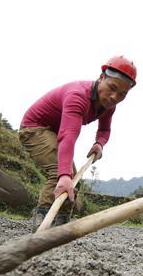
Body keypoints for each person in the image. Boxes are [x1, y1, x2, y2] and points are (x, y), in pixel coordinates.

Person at [20, 56, 136, 227]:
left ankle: (62, 224)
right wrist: (64, 175)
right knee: (59, 172)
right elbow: (68, 136)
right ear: (101, 77)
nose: (114, 97)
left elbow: (104, 130)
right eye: (112, 88)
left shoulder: (108, 106)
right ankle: (42, 220)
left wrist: (99, 144)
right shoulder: (78, 96)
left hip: (54, 131)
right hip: (34, 128)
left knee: (73, 179)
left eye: (122, 94)